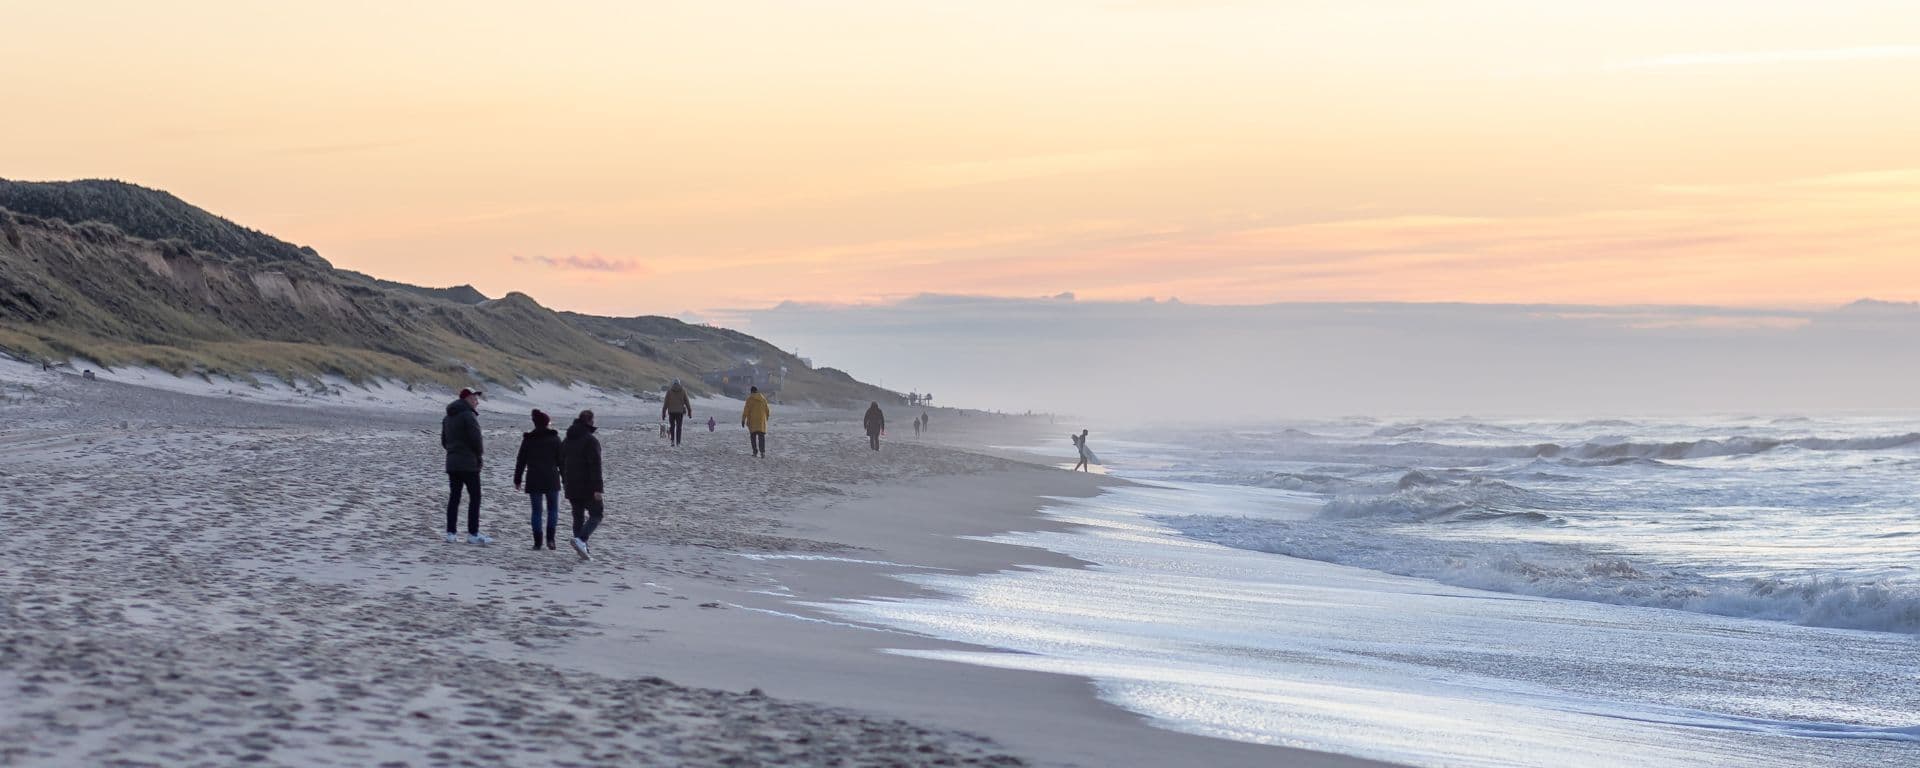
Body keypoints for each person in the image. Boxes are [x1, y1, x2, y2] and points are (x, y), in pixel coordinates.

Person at [442, 388, 492, 544]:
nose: (477, 402)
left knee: (454, 498)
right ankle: (473, 533)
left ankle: (451, 533)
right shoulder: (468, 415)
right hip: (468, 463)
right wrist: (478, 456)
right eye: (474, 398)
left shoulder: (447, 417)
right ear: (467, 399)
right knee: (475, 497)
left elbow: (444, 441)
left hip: (452, 462)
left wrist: (453, 450)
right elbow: (476, 439)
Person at [514, 409, 563, 550]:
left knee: (536, 511)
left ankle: (537, 542)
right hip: (551, 478)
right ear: (547, 423)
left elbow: (521, 460)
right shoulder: (555, 439)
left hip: (534, 478)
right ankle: (551, 539)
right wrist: (566, 479)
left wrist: (517, 479)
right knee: (553, 509)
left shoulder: (528, 440)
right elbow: (561, 461)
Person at [561, 409, 605, 560]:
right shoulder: (590, 441)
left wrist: (564, 479)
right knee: (597, 514)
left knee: (578, 516)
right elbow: (595, 466)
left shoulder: (568, 439)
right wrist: (598, 489)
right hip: (587, 485)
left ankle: (582, 547)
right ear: (590, 421)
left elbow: (560, 459)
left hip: (571, 484)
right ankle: (581, 540)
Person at [741, 386, 771, 458]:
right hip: (761, 421)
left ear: (751, 392)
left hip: (752, 421)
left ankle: (755, 452)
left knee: (753, 436)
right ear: (757, 391)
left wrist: (743, 419)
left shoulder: (750, 399)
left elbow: (746, 411)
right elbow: (767, 410)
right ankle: (762, 452)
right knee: (761, 437)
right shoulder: (763, 399)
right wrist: (766, 418)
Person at [662, 380, 692, 446]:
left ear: (673, 383)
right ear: (679, 383)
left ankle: (672, 441)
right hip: (680, 412)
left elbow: (666, 403)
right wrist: (689, 412)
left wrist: (663, 413)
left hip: (671, 412)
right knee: (679, 427)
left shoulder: (669, 391)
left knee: (672, 427)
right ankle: (678, 442)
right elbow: (687, 402)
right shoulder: (683, 391)